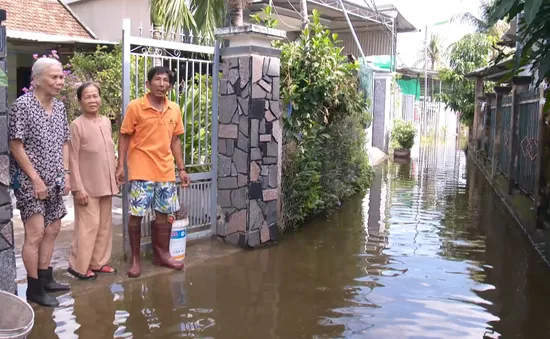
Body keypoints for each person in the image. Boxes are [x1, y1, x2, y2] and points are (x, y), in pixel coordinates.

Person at [116, 66, 190, 278]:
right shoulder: (135, 107)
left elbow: (175, 140)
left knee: (163, 214)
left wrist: (182, 169)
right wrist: (121, 165)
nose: (161, 83)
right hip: (141, 169)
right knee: (136, 215)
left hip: (165, 170)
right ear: (148, 84)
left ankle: (162, 255)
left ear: (170, 85)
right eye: (157, 79)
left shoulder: (174, 109)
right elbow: (124, 135)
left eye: (165, 80)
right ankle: (136, 260)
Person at [9, 57, 71, 307]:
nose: (59, 81)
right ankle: (34, 288)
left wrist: (66, 173)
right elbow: (16, 144)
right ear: (36, 79)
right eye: (54, 77)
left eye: (61, 77)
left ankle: (46, 278)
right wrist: (35, 179)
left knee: (53, 229)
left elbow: (65, 141)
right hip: (30, 181)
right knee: (34, 233)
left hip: (55, 179)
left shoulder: (60, 108)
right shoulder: (22, 106)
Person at [68, 82, 119, 280]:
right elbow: (72, 157)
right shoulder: (76, 125)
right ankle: (79, 266)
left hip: (106, 183)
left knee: (104, 226)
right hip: (86, 187)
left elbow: (107, 151)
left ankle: (98, 263)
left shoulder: (106, 121)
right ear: (80, 101)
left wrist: (115, 173)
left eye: (95, 96)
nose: (92, 100)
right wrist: (77, 188)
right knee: (87, 227)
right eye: (87, 97)